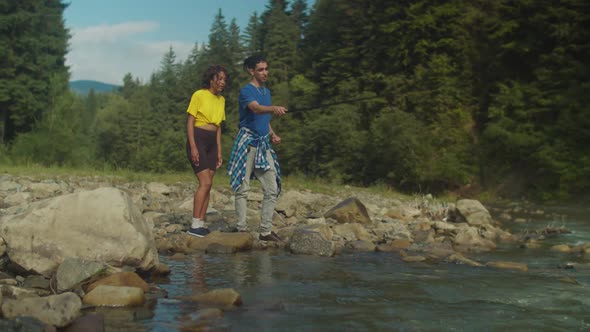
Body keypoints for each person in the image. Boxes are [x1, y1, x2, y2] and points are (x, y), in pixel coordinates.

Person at [227, 54, 287, 242]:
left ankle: (265, 231)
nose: (265, 73)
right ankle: (241, 228)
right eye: (260, 69)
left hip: (263, 143)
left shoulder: (266, 92)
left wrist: (273, 134)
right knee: (242, 188)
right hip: (247, 143)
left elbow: (264, 118)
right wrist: (274, 108)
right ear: (251, 71)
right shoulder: (247, 91)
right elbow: (255, 109)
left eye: (266, 69)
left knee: (272, 187)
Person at [185, 65, 228, 237]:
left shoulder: (222, 100)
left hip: (212, 142)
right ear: (211, 79)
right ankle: (194, 225)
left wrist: (219, 151)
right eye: (219, 79)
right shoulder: (199, 94)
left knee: (209, 184)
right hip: (198, 137)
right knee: (205, 183)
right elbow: (190, 121)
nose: (222, 82)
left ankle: (201, 224)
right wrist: (193, 146)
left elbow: (218, 127)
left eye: (224, 79)